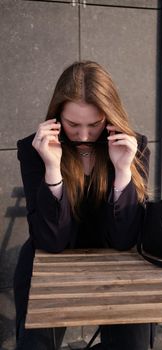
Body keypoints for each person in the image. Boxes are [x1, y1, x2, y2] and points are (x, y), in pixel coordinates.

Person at [14, 61, 151, 350]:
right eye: (73, 125)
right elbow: (51, 241)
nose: (85, 136)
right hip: (49, 260)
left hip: (116, 260)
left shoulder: (131, 145)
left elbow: (125, 239)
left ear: (110, 117)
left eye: (95, 124)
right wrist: (52, 169)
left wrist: (124, 171)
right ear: (56, 117)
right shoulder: (34, 148)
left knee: (133, 345)